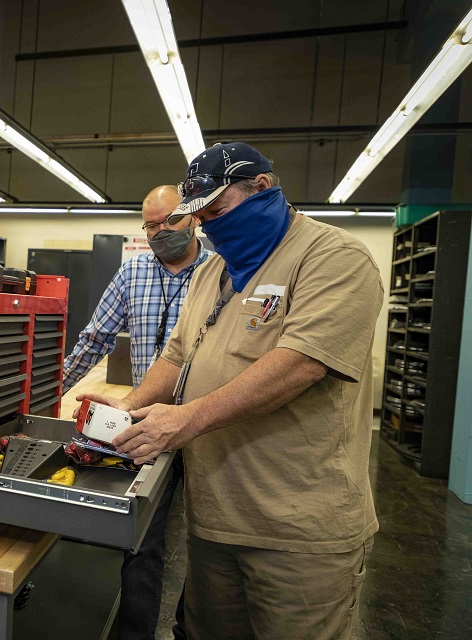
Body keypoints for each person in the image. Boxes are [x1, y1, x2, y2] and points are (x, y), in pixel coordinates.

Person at [77, 142, 382, 640]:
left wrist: (187, 418)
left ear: (262, 188)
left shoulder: (334, 257)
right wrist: (130, 406)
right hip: (216, 518)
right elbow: (177, 357)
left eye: (218, 209)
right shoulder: (212, 273)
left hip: (296, 530)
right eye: (202, 215)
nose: (210, 225)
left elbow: (301, 364)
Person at [63, 184, 213, 640]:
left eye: (169, 221)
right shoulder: (133, 274)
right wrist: (48, 390)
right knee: (142, 540)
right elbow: (95, 339)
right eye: (150, 225)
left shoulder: (220, 274)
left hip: (208, 424)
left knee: (209, 544)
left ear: (192, 218)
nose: (160, 232)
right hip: (147, 426)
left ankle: (193, 629)